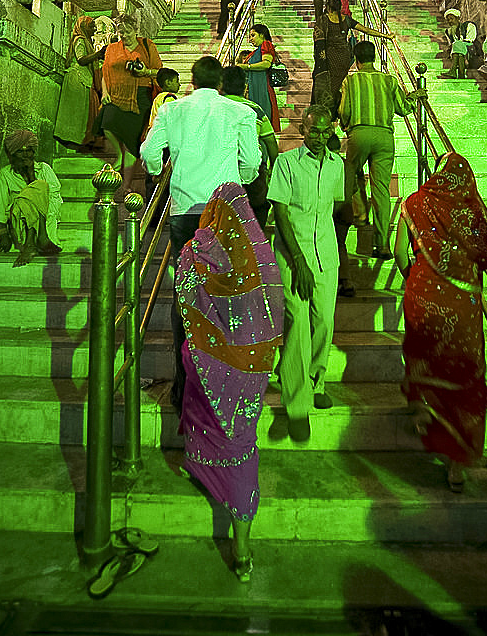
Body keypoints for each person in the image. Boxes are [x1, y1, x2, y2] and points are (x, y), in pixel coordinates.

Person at [140, 55, 261, 417]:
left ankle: (184, 385)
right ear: (221, 83)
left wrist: (159, 169)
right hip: (223, 213)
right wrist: (234, 177)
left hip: (184, 213)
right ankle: (223, 382)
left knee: (186, 297)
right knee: (223, 295)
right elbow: (253, 164)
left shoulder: (173, 111)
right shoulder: (240, 113)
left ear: (192, 80)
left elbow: (148, 152)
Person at [176, 182, 283, 582]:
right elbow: (274, 309)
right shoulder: (261, 257)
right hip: (248, 362)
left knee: (199, 401)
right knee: (241, 440)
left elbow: (182, 294)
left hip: (205, 357)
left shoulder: (196, 249)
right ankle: (242, 545)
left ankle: (201, 469)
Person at [393, 152, 487, 492]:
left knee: (428, 363)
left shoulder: (415, 202)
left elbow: (399, 253)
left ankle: (424, 413)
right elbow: (485, 254)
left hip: (423, 294)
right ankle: (456, 463)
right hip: (463, 302)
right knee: (461, 373)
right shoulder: (472, 209)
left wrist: (419, 280)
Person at [267, 106, 344, 442]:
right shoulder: (286, 163)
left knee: (324, 320)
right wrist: (297, 259)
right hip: (291, 252)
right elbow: (280, 210)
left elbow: (335, 204)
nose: (319, 138)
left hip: (325, 253)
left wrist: (321, 244)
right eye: (314, 131)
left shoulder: (337, 165)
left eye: (325, 132)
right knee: (297, 320)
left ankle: (317, 379)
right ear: (302, 128)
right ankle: (297, 406)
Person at [338, 41, 426, 264]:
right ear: (374, 58)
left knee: (351, 176)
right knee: (381, 190)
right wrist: (415, 96)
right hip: (385, 137)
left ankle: (358, 215)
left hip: (359, 134)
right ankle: (383, 244)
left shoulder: (350, 80)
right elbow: (404, 108)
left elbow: (345, 111)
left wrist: (346, 126)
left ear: (356, 60)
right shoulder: (389, 80)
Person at [93, 14, 163, 194]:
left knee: (131, 144)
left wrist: (145, 72)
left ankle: (126, 185)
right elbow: (105, 71)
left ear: (136, 30)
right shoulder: (112, 48)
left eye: (128, 31)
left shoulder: (147, 46)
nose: (124, 35)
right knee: (106, 122)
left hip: (141, 98)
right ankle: (118, 155)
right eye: (120, 31)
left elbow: (160, 72)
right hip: (115, 96)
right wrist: (105, 93)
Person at [312, 0, 395, 115]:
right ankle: (336, 111)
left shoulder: (323, 20)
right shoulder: (346, 19)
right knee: (337, 85)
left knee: (329, 86)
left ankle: (328, 112)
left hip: (330, 56)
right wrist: (385, 35)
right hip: (344, 57)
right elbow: (365, 29)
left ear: (328, 8)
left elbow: (318, 39)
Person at [0, 130, 63, 268]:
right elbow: (1, 205)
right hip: (20, 220)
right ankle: (39, 240)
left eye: (29, 151)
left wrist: (31, 174)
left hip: (46, 217)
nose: (25, 155)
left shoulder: (44, 169)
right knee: (24, 200)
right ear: (12, 154)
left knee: (40, 186)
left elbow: (54, 198)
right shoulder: (6, 174)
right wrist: (3, 235)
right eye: (20, 151)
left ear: (33, 152)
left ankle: (31, 244)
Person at [222, 65, 278, 227]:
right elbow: (271, 143)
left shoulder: (215, 108)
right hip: (253, 172)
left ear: (221, 85)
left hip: (222, 170)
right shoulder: (255, 109)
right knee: (258, 209)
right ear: (245, 86)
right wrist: (272, 168)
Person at [54, 16, 105, 147]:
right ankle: (73, 141)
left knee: (82, 112)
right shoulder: (80, 40)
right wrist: (98, 54)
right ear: (83, 27)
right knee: (76, 113)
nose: (94, 29)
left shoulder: (87, 41)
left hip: (84, 79)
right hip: (78, 79)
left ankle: (80, 141)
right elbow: (81, 59)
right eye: (91, 26)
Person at [238, 23, 281, 133]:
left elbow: (266, 64)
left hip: (262, 86)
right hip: (255, 85)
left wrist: (246, 66)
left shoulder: (266, 45)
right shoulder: (256, 51)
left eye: (253, 35)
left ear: (262, 35)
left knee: (261, 115)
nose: (250, 39)